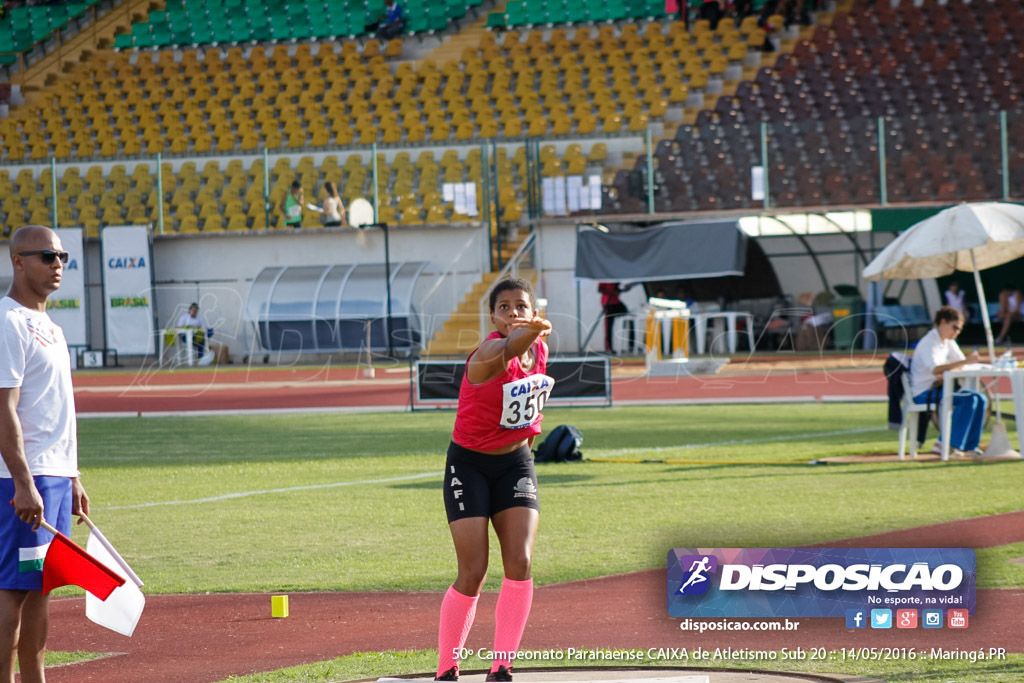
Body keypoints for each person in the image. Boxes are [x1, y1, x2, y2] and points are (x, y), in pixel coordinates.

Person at [435, 277, 552, 682]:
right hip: (469, 466)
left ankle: (501, 666)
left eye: (521, 306)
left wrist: (525, 453)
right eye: (504, 307)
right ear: (492, 316)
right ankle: (446, 668)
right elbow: (506, 349)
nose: (513, 313)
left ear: (533, 310)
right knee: (474, 571)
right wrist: (529, 330)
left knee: (520, 562)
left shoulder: (540, 348)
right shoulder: (486, 352)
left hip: (516, 464)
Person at [0, 225, 89, 683]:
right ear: (18, 261)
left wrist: (70, 475)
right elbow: (4, 409)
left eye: (63, 257)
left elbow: (54, 409)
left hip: (52, 477)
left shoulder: (50, 326)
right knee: (12, 590)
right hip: (21, 481)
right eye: (46, 256)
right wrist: (22, 482)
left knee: (40, 589)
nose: (58, 265)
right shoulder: (8, 321)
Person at [908, 306, 986, 456]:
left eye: (959, 330)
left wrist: (959, 365)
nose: (956, 333)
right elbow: (936, 369)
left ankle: (969, 446)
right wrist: (959, 364)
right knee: (968, 400)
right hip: (924, 392)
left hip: (941, 389)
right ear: (943, 322)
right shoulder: (928, 342)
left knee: (980, 399)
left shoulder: (948, 341)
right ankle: (944, 443)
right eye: (954, 328)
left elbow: (961, 363)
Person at [597, 282, 629, 354]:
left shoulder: (615, 278)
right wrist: (612, 292)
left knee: (629, 317)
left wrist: (625, 289)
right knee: (608, 326)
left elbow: (619, 288)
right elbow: (600, 289)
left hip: (616, 303)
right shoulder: (604, 278)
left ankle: (630, 344)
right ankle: (608, 348)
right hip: (608, 303)